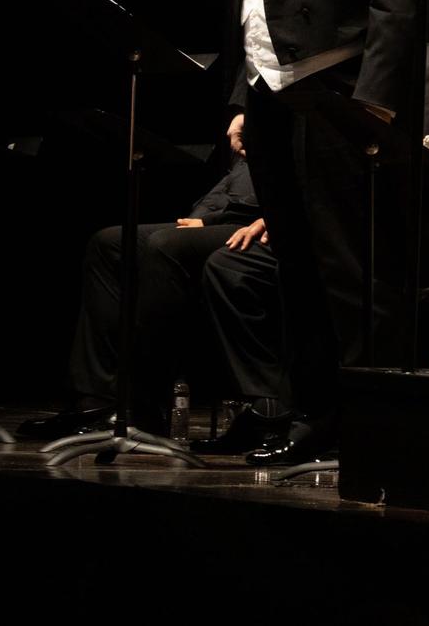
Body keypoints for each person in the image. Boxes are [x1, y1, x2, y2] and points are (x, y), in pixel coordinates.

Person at [222, 0, 429, 464]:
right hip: (275, 102)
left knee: (348, 274)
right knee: (298, 273)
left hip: (339, 104)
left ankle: (363, 425)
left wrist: (374, 108)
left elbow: (397, 12)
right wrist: (244, 98)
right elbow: (254, 6)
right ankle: (312, 416)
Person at [17, 157, 271, 439]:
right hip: (229, 213)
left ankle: (145, 404)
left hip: (260, 220)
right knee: (109, 244)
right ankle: (99, 399)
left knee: (163, 247)